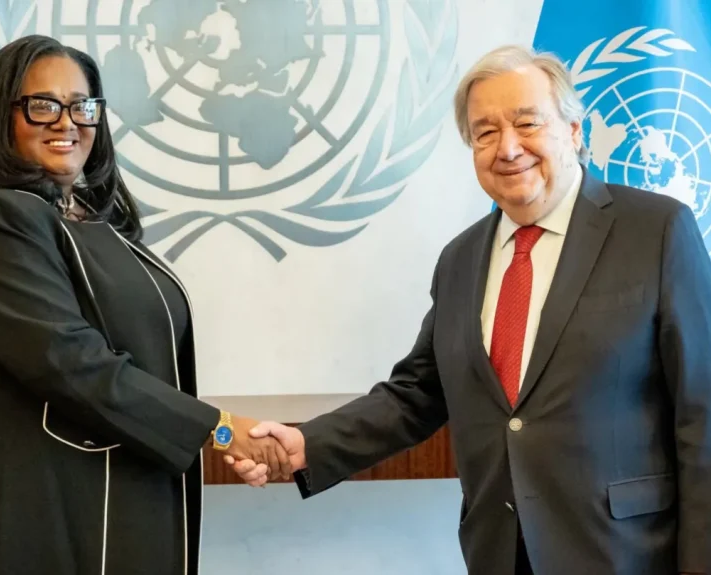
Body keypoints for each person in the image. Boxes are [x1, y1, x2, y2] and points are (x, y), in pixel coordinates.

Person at [228, 45, 711, 575]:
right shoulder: (460, 259)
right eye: (485, 132)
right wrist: (307, 444)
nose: (508, 148)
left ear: (574, 131)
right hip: (499, 552)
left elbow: (702, 411)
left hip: (626, 554)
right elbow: (417, 395)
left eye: (527, 123)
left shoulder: (656, 231)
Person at [0, 34, 289, 575]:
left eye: (82, 106)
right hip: (25, 504)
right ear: (1, 116)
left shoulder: (89, 217)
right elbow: (69, 360)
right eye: (43, 105)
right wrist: (220, 429)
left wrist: (219, 433)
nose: (67, 122)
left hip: (109, 484)